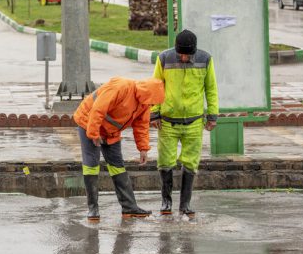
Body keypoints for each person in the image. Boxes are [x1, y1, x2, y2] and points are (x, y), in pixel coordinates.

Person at [74, 77, 165, 221]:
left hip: (110, 131)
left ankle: (129, 208)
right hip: (88, 122)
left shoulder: (144, 104)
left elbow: (141, 126)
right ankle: (93, 210)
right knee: (91, 165)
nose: (152, 105)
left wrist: (143, 148)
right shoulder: (121, 88)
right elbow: (98, 109)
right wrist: (94, 133)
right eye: (152, 101)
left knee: (118, 166)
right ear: (146, 93)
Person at [150, 29, 219, 219]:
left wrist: (212, 115)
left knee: (190, 163)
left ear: (194, 51)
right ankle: (166, 202)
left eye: (187, 54)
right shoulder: (164, 58)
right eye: (180, 53)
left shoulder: (205, 59)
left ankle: (185, 204)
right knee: (165, 162)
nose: (183, 57)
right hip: (167, 122)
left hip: (194, 122)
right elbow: (156, 85)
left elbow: (211, 89)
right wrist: (154, 113)